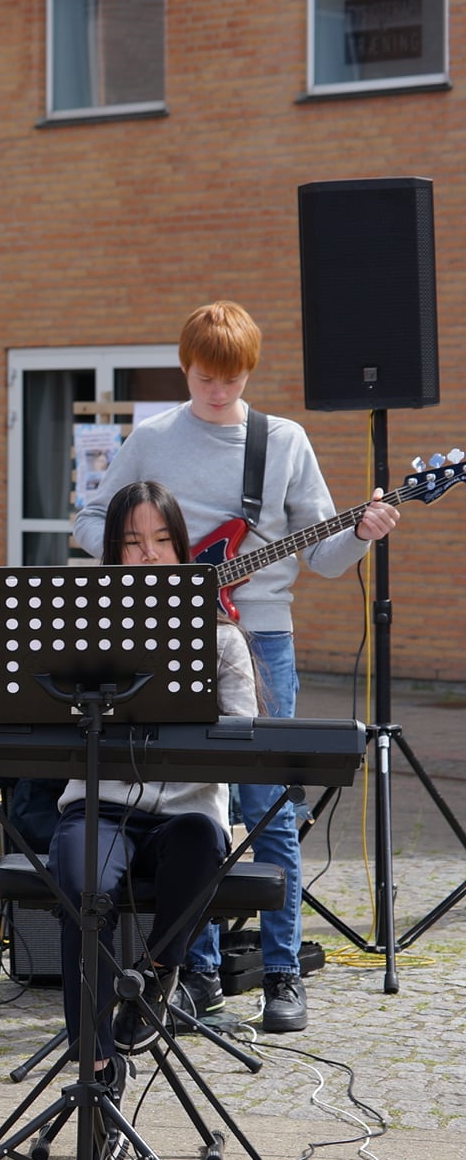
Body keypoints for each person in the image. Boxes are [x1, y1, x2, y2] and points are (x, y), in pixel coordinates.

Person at [74, 300, 398, 1034]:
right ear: (185, 369)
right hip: (170, 636)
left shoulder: (282, 441)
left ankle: (282, 970)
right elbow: (92, 520)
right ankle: (199, 972)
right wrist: (154, 561)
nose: (216, 392)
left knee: (270, 805)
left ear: (249, 371)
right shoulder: (153, 437)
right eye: (202, 378)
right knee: (198, 799)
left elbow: (322, 553)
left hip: (263, 641)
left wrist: (364, 535)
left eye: (230, 379)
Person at [50, 481, 259, 1096]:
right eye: (133, 543)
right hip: (99, 805)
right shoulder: (79, 632)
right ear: (112, 553)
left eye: (163, 540)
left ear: (184, 549)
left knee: (199, 841)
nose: (149, 555)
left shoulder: (221, 637)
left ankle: (160, 974)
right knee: (81, 881)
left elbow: (246, 734)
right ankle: (95, 1068)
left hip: (186, 815)